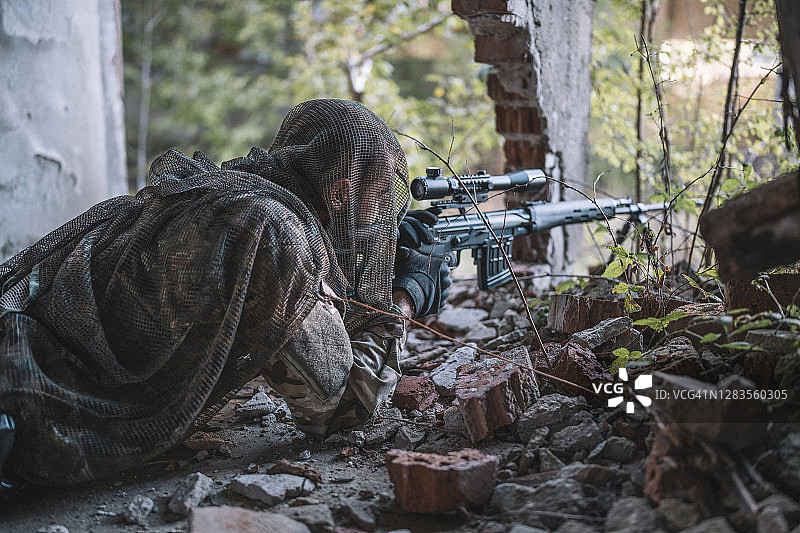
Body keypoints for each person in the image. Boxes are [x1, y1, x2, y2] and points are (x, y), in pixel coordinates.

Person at [0, 99, 451, 489]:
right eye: (377, 200)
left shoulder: (222, 194)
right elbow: (339, 408)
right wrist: (405, 297)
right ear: (338, 194)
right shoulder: (277, 238)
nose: (381, 219)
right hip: (33, 408)